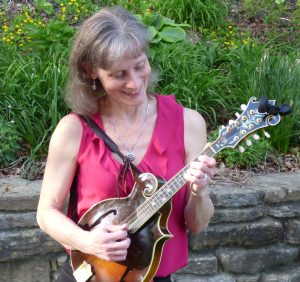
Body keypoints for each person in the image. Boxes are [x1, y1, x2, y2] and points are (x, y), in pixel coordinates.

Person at [37, 6, 216, 282]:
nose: (134, 83)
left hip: (152, 275)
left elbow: (197, 224)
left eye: (139, 65)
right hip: (91, 273)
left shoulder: (189, 125)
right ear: (91, 71)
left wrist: (199, 193)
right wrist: (88, 242)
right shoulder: (74, 130)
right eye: (119, 74)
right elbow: (46, 212)